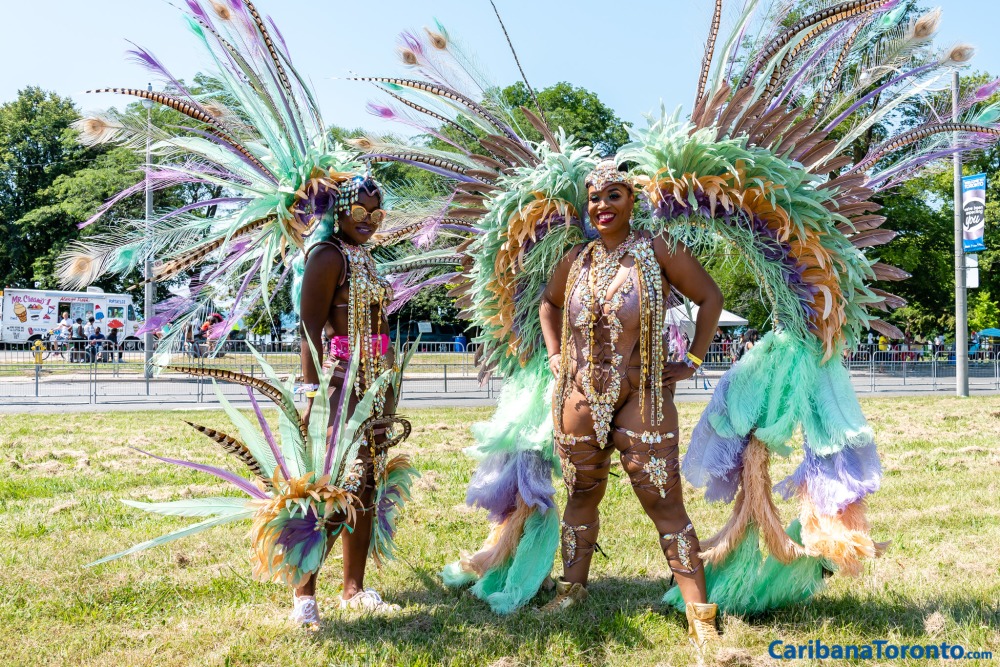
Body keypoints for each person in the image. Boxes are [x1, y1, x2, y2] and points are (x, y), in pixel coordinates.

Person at [537, 162, 723, 643]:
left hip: (643, 393)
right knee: (581, 494)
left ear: (632, 200)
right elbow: (549, 304)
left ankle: (700, 616)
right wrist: (556, 354)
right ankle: (571, 591)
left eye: (613, 195)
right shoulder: (576, 258)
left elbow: (710, 297)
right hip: (579, 394)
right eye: (594, 198)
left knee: (664, 501)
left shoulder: (658, 249)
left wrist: (693, 359)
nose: (602, 206)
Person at [295, 174, 411, 622]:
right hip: (342, 385)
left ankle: (353, 589)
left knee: (367, 485)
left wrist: (387, 383)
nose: (368, 220)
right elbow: (309, 329)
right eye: (360, 211)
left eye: (376, 214)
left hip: (376, 386)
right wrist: (311, 394)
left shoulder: (363, 255)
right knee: (335, 487)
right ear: (338, 210)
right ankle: (304, 596)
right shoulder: (327, 255)